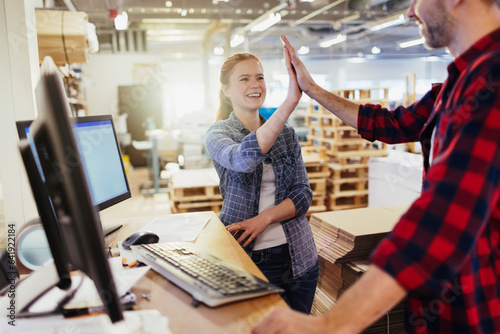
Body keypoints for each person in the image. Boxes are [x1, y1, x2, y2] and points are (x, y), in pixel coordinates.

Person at [252, 0, 500, 332]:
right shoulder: (458, 84)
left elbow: (443, 217)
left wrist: (330, 325)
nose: (410, 12)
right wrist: (312, 90)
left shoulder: (491, 82)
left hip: (479, 305)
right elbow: (390, 123)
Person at [205, 49, 319, 313]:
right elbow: (243, 160)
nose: (255, 85)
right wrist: (290, 103)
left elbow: (303, 194)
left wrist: (264, 218)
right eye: (244, 79)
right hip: (249, 259)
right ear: (225, 90)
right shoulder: (219, 133)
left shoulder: (287, 134)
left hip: (299, 256)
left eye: (259, 77)